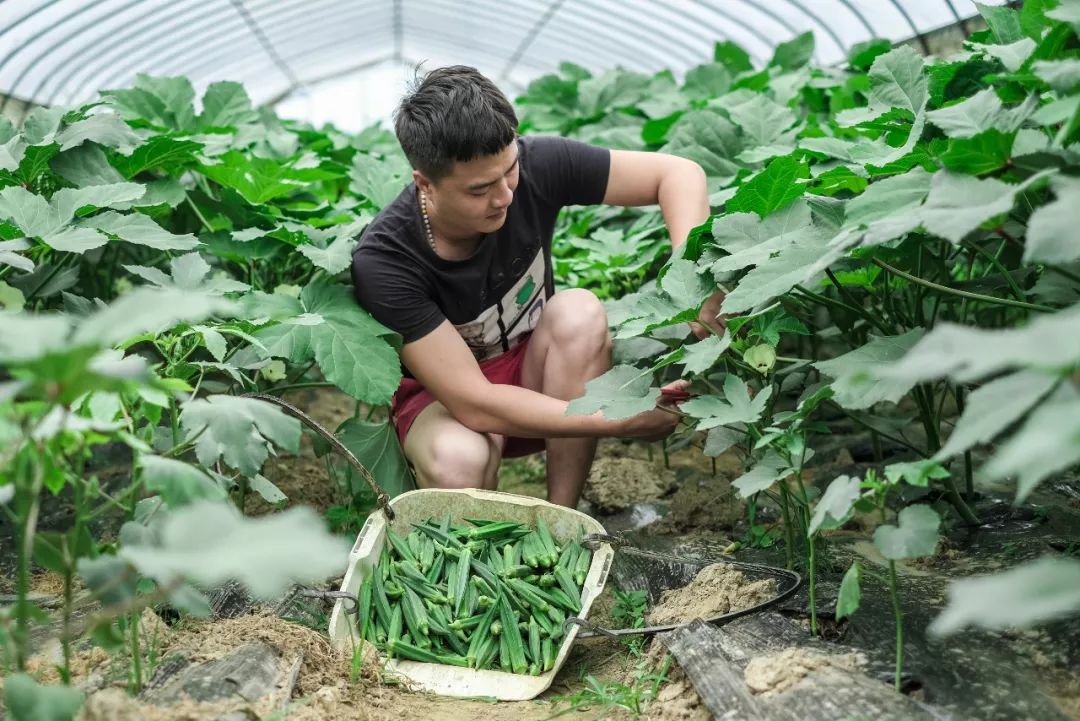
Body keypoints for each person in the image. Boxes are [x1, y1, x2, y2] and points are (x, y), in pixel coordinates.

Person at [351, 65, 724, 508]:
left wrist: (697, 278)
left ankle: (563, 517)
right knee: (459, 461)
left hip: (537, 371)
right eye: (479, 189)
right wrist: (617, 418)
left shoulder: (538, 165)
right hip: (446, 396)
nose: (505, 195)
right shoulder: (386, 261)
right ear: (425, 184)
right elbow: (475, 402)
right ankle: (474, 546)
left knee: (579, 311)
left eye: (509, 171)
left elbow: (677, 174)